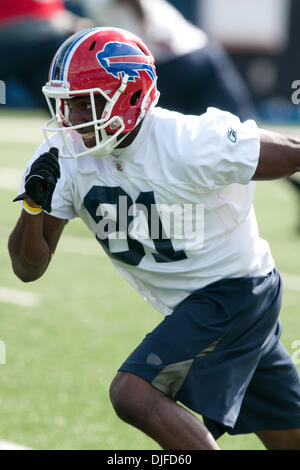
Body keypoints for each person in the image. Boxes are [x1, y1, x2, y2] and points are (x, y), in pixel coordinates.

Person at [8, 27, 300, 450]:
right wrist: (33, 208)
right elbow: (27, 268)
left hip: (237, 292)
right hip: (202, 307)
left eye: (84, 102)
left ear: (129, 96)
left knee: (133, 392)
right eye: (65, 103)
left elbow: (292, 150)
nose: (71, 118)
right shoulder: (62, 157)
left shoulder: (188, 142)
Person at [72, 0, 256, 120]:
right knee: (242, 129)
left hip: (171, 59)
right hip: (199, 50)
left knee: (162, 136)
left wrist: (148, 26)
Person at [0, 0, 94, 108]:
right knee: (60, 99)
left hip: (43, 42)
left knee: (60, 101)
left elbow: (53, 14)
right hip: (44, 39)